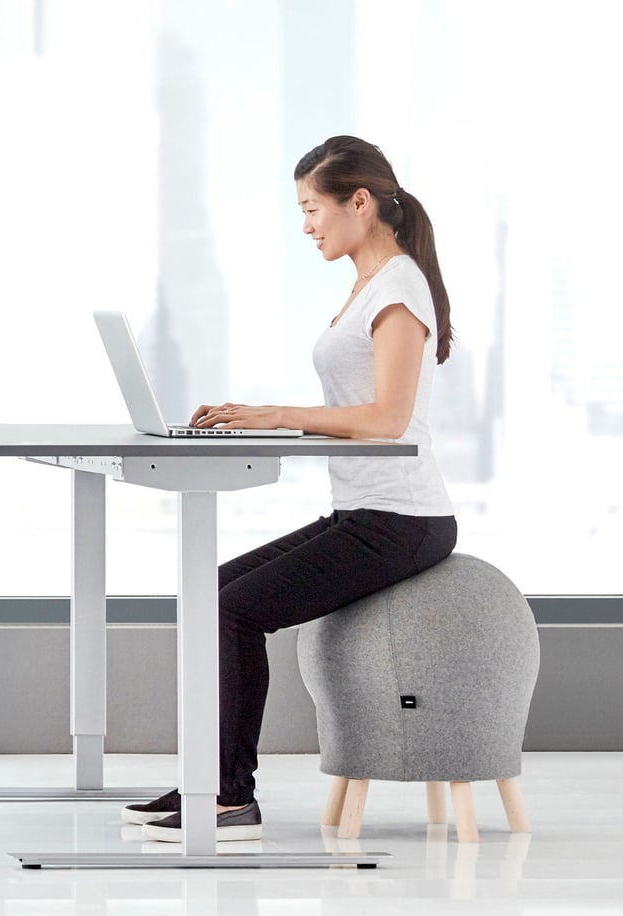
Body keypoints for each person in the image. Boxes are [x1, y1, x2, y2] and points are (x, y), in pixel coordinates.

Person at [123, 135, 457, 842]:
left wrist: (274, 416)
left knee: (234, 611)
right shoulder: (371, 284)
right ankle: (206, 783)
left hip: (404, 519)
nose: (306, 225)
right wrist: (262, 422)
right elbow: (358, 410)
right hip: (364, 510)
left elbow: (389, 419)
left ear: (359, 203)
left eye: (313, 208)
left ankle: (227, 798)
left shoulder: (399, 288)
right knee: (210, 592)